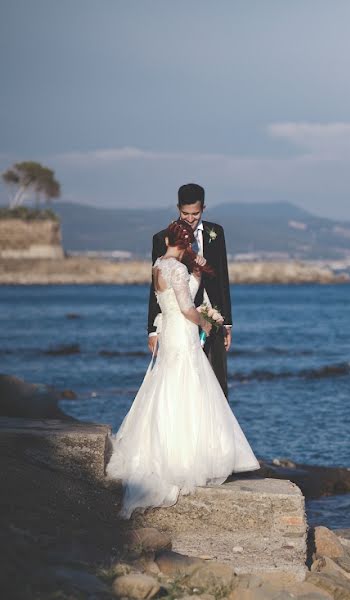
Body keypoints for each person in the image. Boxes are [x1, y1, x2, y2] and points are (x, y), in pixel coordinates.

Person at [108, 219, 258, 518]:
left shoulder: (158, 265)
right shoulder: (176, 269)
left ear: (167, 241)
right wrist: (208, 324)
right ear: (187, 243)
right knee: (189, 388)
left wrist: (198, 276)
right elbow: (187, 308)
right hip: (182, 332)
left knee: (169, 387)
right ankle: (185, 458)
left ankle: (168, 450)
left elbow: (173, 300)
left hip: (171, 333)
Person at [148, 183, 232, 397]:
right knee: (183, 384)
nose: (190, 219)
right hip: (181, 322)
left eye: (195, 214)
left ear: (203, 208)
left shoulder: (216, 233)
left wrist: (227, 323)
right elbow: (156, 288)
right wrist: (153, 330)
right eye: (185, 213)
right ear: (178, 208)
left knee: (216, 384)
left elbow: (222, 276)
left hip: (213, 315)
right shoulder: (162, 239)